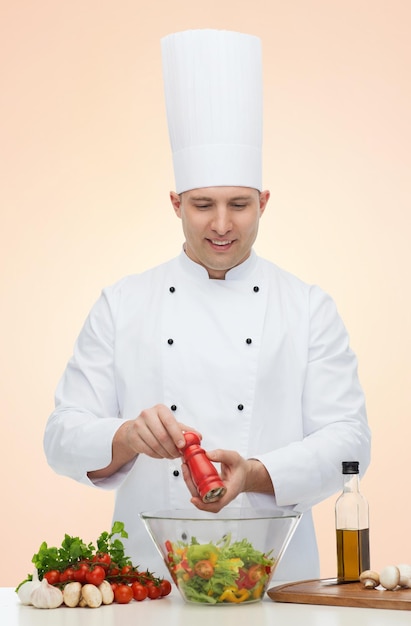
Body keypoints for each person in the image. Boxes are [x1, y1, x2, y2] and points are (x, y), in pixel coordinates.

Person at [44, 29, 371, 581]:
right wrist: (123, 438)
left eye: (239, 204)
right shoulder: (123, 303)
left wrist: (257, 472)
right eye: (202, 205)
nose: (221, 224)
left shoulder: (308, 307)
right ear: (175, 203)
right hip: (148, 585)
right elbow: (60, 436)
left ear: (264, 202)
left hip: (276, 583)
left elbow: (350, 441)